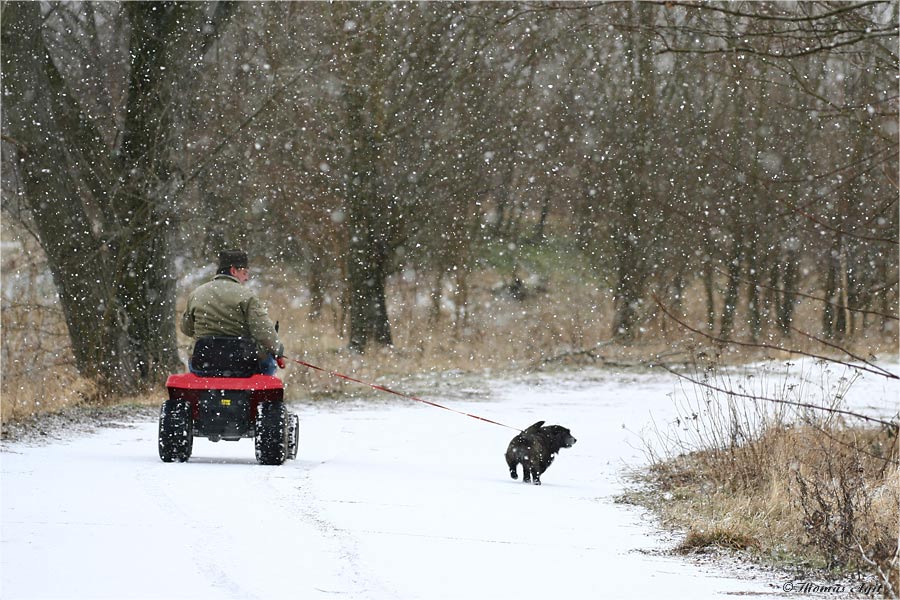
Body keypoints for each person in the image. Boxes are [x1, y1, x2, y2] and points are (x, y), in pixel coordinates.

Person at [181, 249, 286, 376]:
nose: (247, 278)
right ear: (233, 270)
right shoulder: (247, 296)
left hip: (203, 363)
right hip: (241, 364)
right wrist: (278, 351)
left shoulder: (196, 294)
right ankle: (261, 395)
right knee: (268, 361)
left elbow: (186, 329)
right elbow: (263, 331)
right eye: (245, 273)